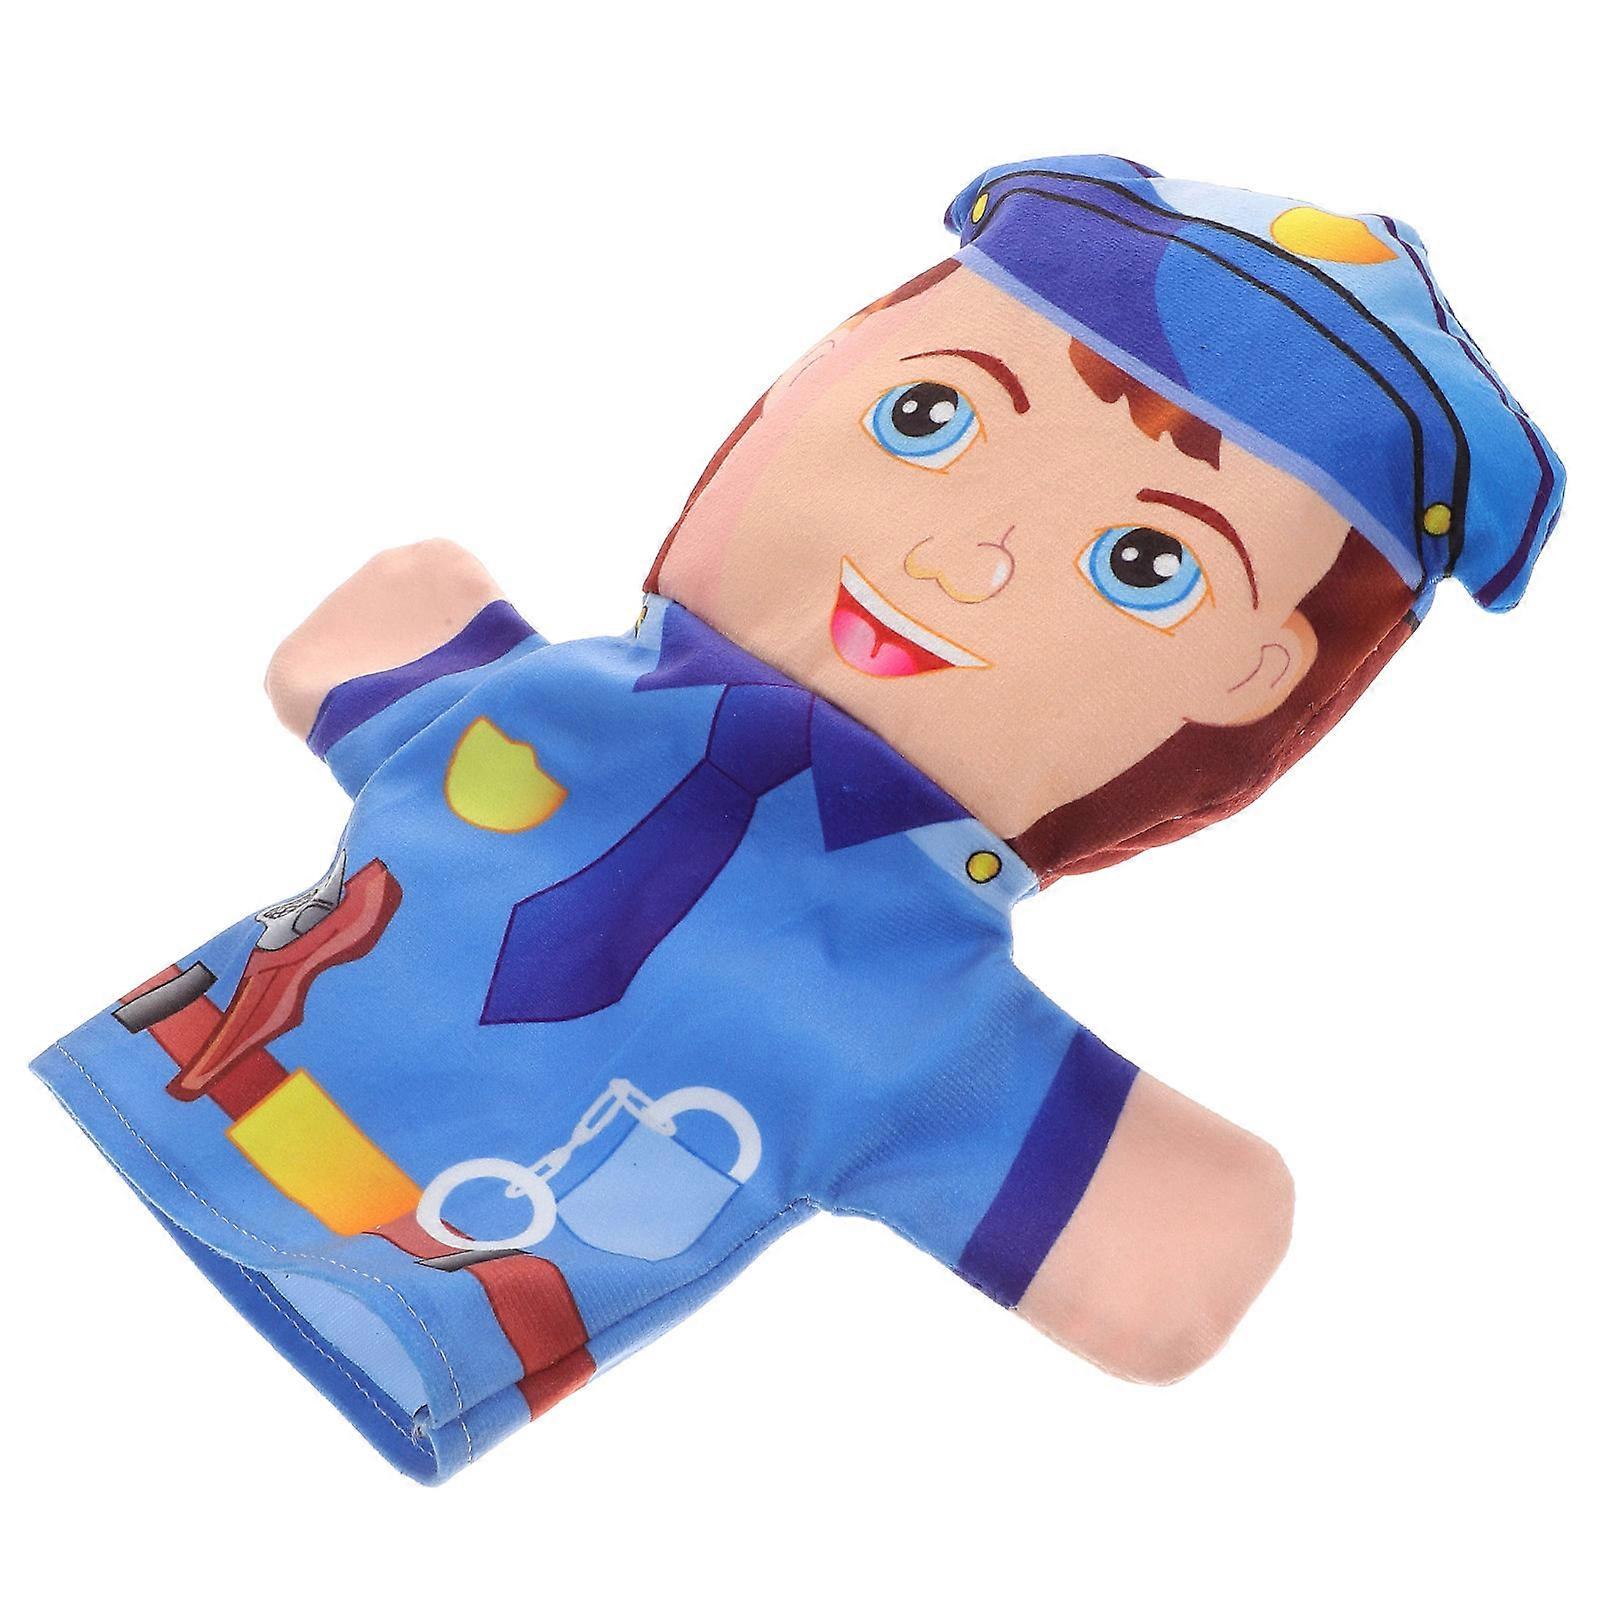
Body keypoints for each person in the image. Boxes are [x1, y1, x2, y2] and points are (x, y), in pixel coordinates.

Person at [33, 156, 1564, 1482]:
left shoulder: (906, 1007)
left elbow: (1163, 1241)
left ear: (1257, 679)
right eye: (928, 414)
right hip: (191, 1084)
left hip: (441, 1289)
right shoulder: (584, 737)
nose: (963, 562)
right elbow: (1160, 1244)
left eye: (1144, 566)